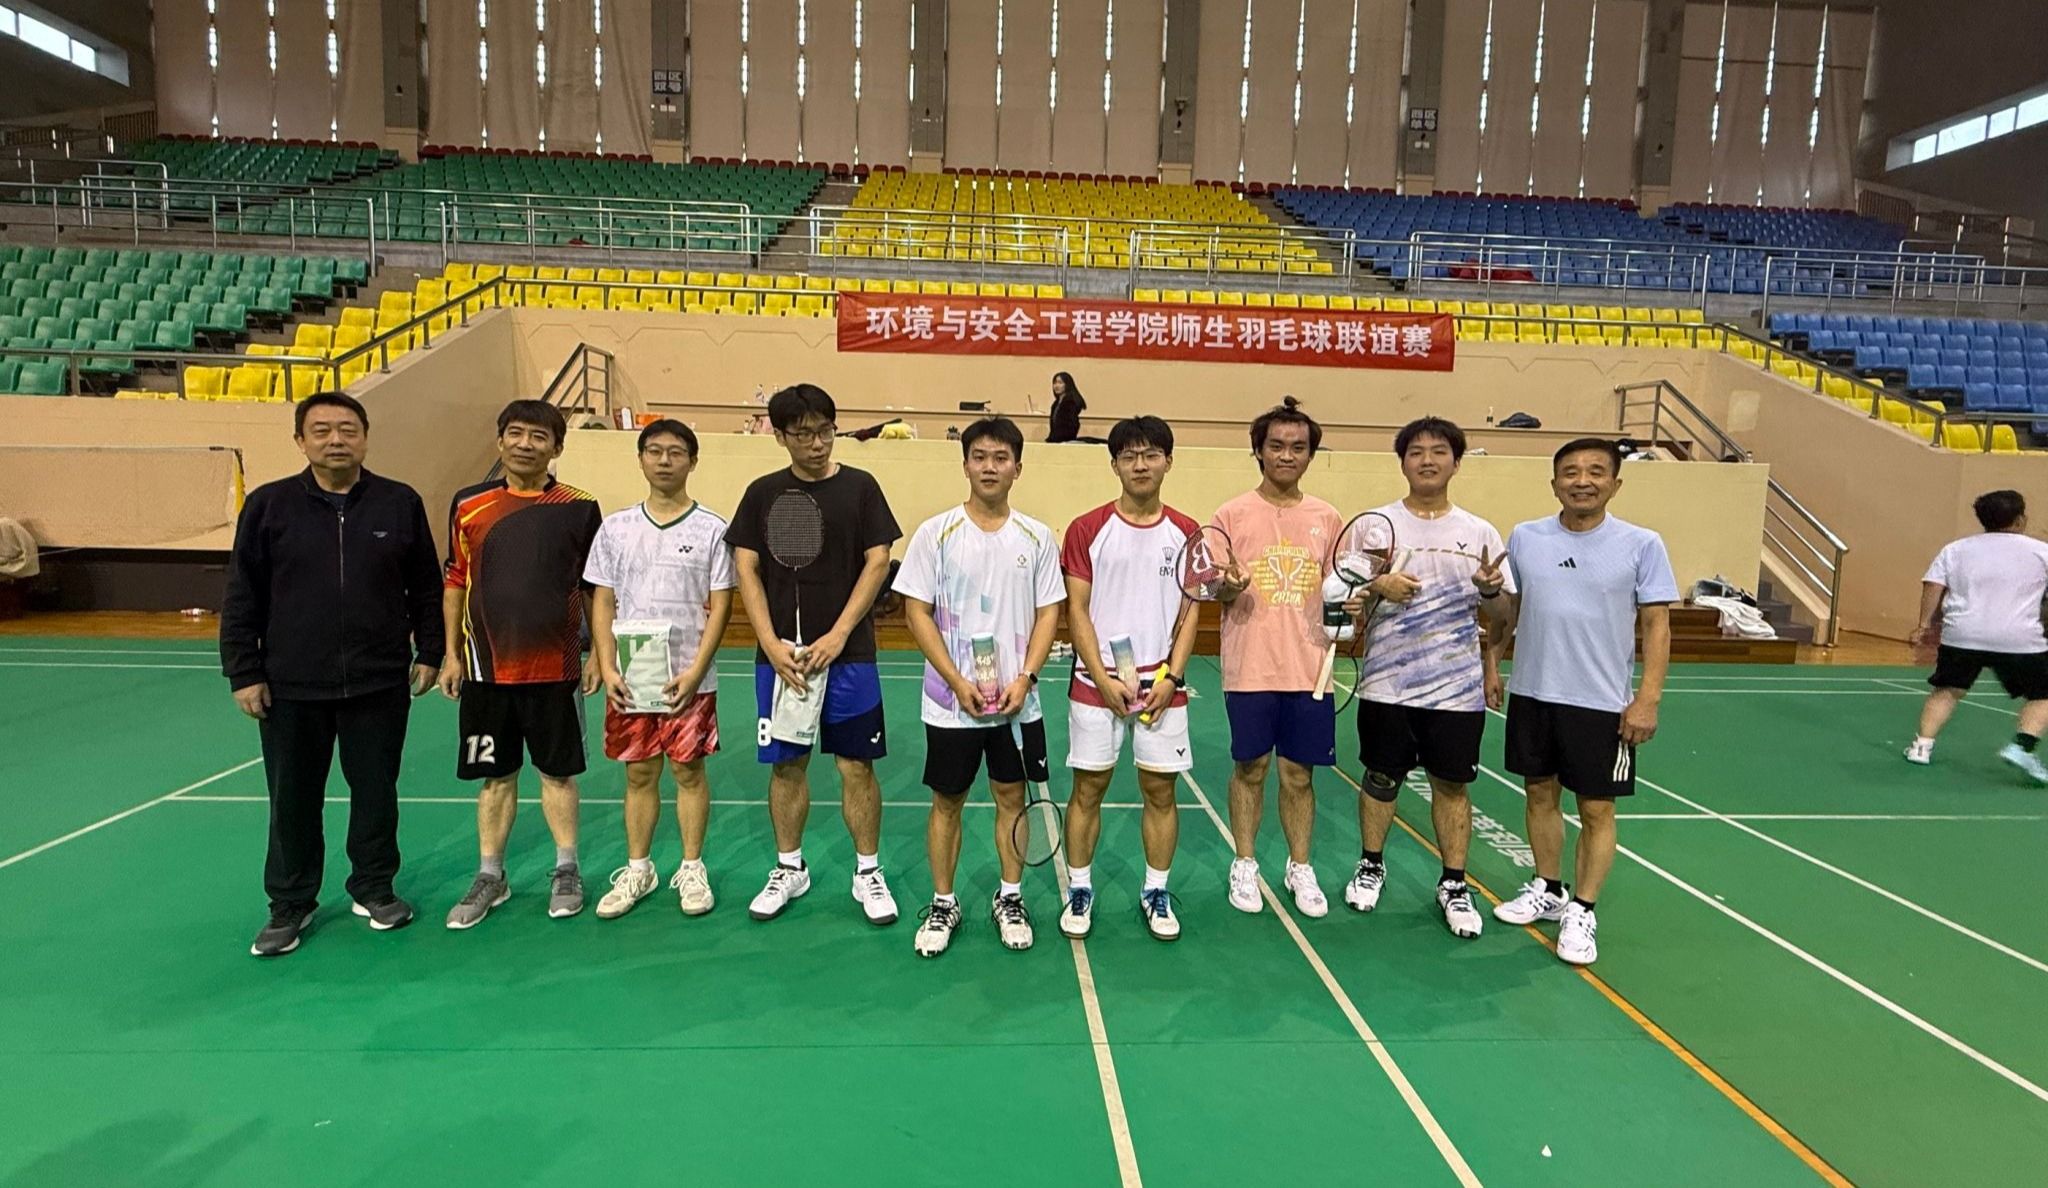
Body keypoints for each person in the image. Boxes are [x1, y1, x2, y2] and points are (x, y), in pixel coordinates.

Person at [222, 392, 444, 957]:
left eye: (348, 429)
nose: (336, 440)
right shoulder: (269, 505)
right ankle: (290, 903)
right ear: (301, 441)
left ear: (365, 438)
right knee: (292, 799)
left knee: (376, 792)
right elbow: (242, 592)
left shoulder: (399, 502)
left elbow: (425, 585)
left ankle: (374, 887)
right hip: (291, 684)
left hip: (378, 680)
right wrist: (243, 671)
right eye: (321, 430)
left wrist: (430, 651)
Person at [1489, 438, 1676, 967]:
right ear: (1554, 484)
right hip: (1533, 692)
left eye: (1595, 471)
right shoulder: (1526, 537)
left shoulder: (1642, 544)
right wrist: (1491, 661)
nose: (1582, 480)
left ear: (1615, 483)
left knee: (1596, 808)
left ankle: (1583, 909)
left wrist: (1648, 699)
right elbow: (1511, 609)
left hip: (1600, 702)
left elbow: (1657, 626)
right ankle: (1549, 888)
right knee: (1538, 795)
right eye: (1570, 472)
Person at [727, 383, 903, 926]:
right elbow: (746, 567)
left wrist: (838, 634)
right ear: (780, 436)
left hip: (850, 656)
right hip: (781, 656)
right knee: (787, 765)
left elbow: (878, 561)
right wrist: (769, 643)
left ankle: (868, 872)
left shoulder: (861, 487)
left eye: (825, 430)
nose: (818, 442)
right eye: (803, 434)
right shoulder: (761, 493)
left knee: (856, 765)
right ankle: (790, 868)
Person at [894, 416, 1065, 957]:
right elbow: (916, 611)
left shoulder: (1037, 537)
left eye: (1001, 458)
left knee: (1012, 797)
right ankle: (943, 902)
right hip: (952, 703)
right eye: (980, 457)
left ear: (1018, 467)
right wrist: (955, 678)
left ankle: (1010, 897)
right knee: (947, 801)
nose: (990, 467)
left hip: (1017, 702)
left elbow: (1049, 612)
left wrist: (1027, 678)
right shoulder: (935, 533)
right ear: (965, 464)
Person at [438, 399, 604, 929]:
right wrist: (450, 654)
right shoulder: (469, 504)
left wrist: (600, 654)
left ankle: (567, 869)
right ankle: (491, 875)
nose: (525, 444)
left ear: (557, 447)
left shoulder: (580, 506)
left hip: (557, 668)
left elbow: (594, 586)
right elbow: (456, 579)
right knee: (495, 777)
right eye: (516, 433)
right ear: (500, 441)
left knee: (558, 774)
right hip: (486, 670)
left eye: (539, 436)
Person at [1345, 417, 1511, 940]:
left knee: (1452, 785)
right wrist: (1378, 585)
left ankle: (1454, 883)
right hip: (1386, 684)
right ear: (1403, 462)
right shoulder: (1375, 526)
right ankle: (1371, 864)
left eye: (1439, 451)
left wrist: (1489, 591)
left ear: (1456, 463)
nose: (1427, 460)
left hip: (1456, 691)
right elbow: (1344, 594)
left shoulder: (1479, 533)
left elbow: (1504, 616)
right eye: (1416, 451)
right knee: (1380, 778)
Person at [585, 419, 737, 919]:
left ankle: (691, 867)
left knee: (689, 771)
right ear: (641, 459)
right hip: (632, 677)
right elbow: (603, 600)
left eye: (676, 452)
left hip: (689, 677)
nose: (665, 460)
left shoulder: (713, 529)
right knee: (639, 773)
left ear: (693, 461)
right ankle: (639, 868)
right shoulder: (615, 528)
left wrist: (696, 671)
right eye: (654, 451)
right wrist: (607, 664)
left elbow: (721, 606)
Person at [1057, 415, 1201, 942]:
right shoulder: (1087, 529)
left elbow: (1191, 610)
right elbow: (1077, 610)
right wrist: (1101, 677)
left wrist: (1172, 677)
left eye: (1151, 454)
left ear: (1168, 461)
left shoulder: (1187, 532)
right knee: (1088, 789)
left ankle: (1156, 890)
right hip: (1096, 684)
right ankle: (1079, 887)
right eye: (1130, 456)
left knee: (1160, 792)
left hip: (1161, 685)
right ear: (1114, 464)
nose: (1141, 465)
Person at [1214, 397, 1354, 918]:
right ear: (1258, 451)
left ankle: (1300, 866)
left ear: (1310, 455)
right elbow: (1214, 588)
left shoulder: (1327, 517)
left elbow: (1342, 587)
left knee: (1299, 775)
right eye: (1276, 446)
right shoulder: (1230, 514)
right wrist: (1228, 587)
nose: (1286, 455)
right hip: (1249, 666)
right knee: (1250, 768)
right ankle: (1245, 862)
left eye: (1298, 447)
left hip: (1310, 668)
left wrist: (1356, 601)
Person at [1904, 489, 2048, 782]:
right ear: (2020, 519)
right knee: (2042, 694)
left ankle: (1921, 747)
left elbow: (1933, 585)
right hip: (2019, 638)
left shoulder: (1955, 549)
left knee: (1948, 690)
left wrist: (1923, 624)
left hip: (1962, 635)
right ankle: (2022, 746)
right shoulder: (2041, 551)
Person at [1047, 371, 1086, 444]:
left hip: (1065, 441)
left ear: (1067, 385)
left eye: (1060, 383)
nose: (1056, 386)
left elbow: (1072, 425)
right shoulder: (1055, 404)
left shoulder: (1071, 403)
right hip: (1055, 441)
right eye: (1055, 383)